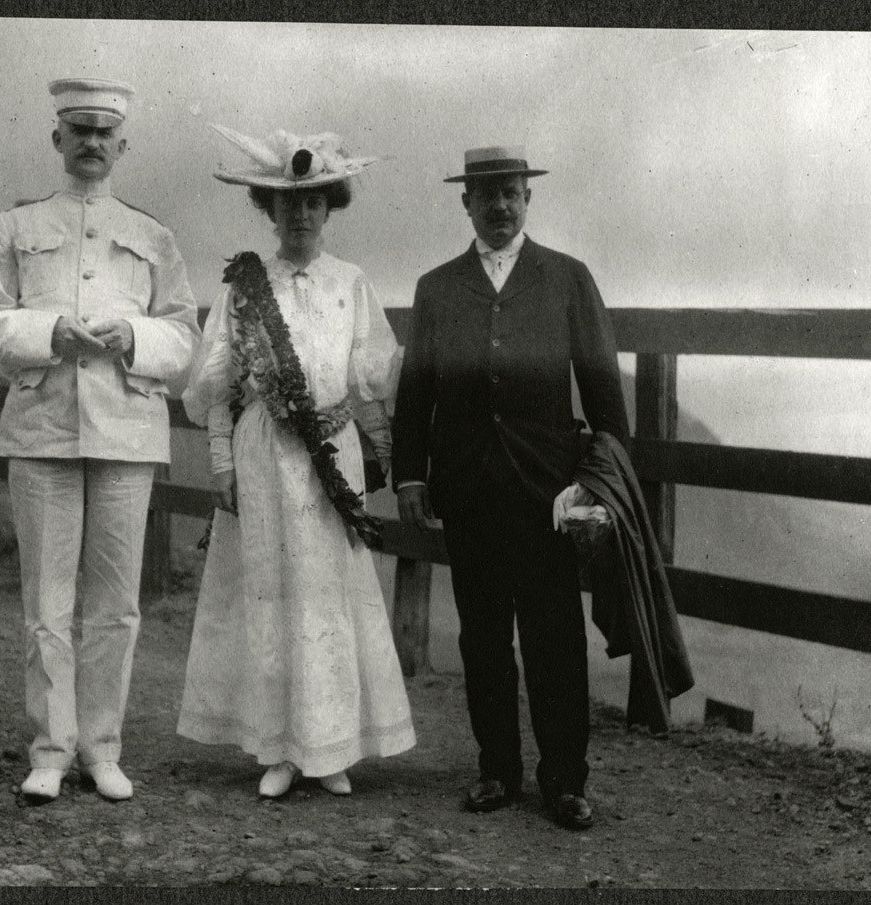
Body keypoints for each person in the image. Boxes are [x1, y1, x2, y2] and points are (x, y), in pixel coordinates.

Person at [0, 77, 199, 803]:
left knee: (116, 603)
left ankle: (102, 747)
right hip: (41, 427)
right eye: (79, 130)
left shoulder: (153, 235)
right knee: (47, 599)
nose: (92, 143)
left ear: (122, 145)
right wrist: (46, 332)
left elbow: (185, 338)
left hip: (126, 429)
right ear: (57, 139)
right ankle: (50, 748)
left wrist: (134, 334)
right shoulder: (17, 225)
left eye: (105, 132)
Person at [392, 146, 630, 830]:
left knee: (554, 635)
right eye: (485, 193)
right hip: (467, 490)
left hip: (549, 495)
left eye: (511, 193)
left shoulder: (567, 279)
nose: (499, 205)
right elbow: (416, 394)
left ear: (529, 198)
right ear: (465, 203)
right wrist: (411, 474)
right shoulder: (437, 288)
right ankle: (496, 768)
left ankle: (564, 781)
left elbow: (606, 397)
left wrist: (601, 485)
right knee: (483, 634)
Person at [178, 125, 415, 798]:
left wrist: (387, 459)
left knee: (327, 598)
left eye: (313, 201)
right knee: (269, 594)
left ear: (330, 204)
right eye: (289, 202)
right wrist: (221, 464)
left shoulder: (351, 283)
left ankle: (329, 746)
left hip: (328, 458)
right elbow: (219, 383)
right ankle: (278, 748)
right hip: (262, 455)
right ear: (269, 209)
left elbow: (370, 379)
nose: (301, 213)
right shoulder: (245, 287)